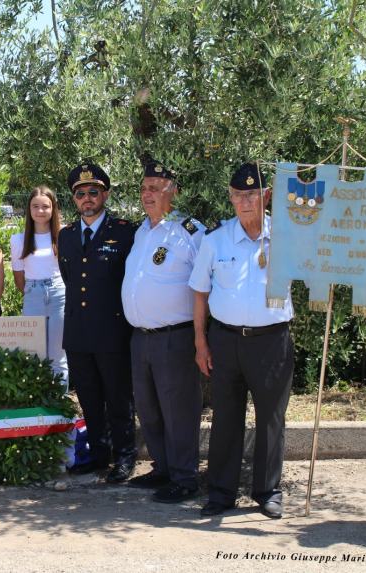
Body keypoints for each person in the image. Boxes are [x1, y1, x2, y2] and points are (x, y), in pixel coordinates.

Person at [189, 162, 294, 519]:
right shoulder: (215, 240)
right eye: (238, 195)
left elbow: (317, 269)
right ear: (231, 198)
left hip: (272, 342)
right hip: (226, 341)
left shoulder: (288, 236)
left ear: (265, 197)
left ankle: (268, 492)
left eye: (252, 194)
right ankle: (221, 493)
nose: (245, 201)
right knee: (226, 418)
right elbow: (200, 293)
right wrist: (200, 343)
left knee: (271, 419)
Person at [121, 159, 205, 503]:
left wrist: (203, 337)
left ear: (174, 191)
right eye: (143, 188)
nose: (147, 194)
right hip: (141, 338)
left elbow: (206, 286)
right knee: (150, 408)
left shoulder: (189, 231)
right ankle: (163, 469)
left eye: (155, 188)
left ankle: (186, 478)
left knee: (178, 409)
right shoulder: (141, 231)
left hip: (175, 336)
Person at [57, 162, 137, 482]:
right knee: (89, 398)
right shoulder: (65, 236)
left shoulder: (123, 231)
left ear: (104, 194)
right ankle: (99, 454)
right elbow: (70, 279)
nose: (87, 199)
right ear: (74, 199)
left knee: (118, 398)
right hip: (78, 332)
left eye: (93, 192)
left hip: (112, 330)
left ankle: (125, 456)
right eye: (80, 194)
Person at [10, 185, 68, 389]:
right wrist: (33, 292)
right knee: (33, 352)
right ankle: (37, 406)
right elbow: (19, 278)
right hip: (32, 295)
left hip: (59, 295)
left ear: (53, 209)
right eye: (35, 206)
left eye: (45, 206)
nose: (40, 211)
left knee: (58, 354)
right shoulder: (18, 240)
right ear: (29, 209)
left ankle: (59, 407)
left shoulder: (64, 236)